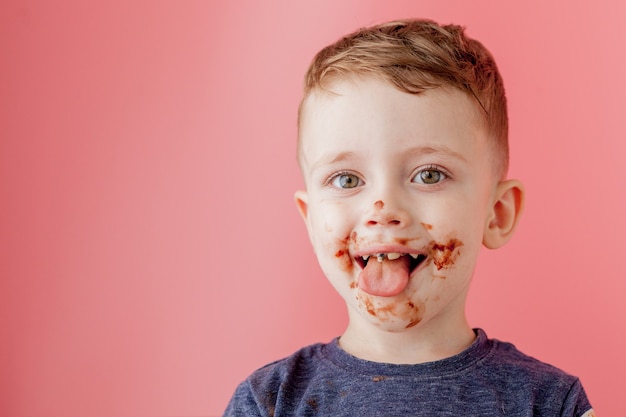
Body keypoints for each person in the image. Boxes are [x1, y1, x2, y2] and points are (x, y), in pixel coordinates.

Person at [224, 19, 595, 416]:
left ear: (496, 214)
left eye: (429, 175)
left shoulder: (550, 403)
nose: (384, 209)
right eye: (347, 178)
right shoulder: (268, 402)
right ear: (311, 221)